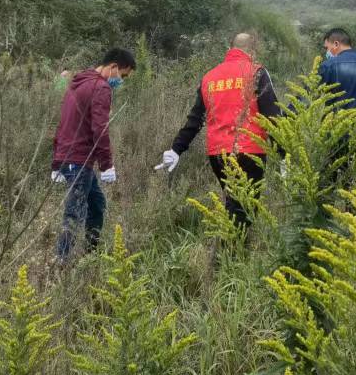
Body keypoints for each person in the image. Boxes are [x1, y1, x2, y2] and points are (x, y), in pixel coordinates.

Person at [157, 32, 282, 228]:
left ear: (229, 49)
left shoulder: (210, 77)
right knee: (244, 209)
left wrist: (176, 149)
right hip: (249, 151)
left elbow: (196, 119)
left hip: (218, 154)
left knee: (235, 202)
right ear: (253, 51)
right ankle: (229, 252)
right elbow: (272, 116)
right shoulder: (257, 72)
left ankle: (231, 250)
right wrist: (284, 153)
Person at [51, 47, 136, 260]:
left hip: (69, 158)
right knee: (74, 214)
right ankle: (62, 262)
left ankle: (91, 255)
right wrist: (107, 165)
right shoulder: (100, 87)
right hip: (79, 160)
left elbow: (63, 124)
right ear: (113, 67)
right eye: (123, 75)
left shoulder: (79, 82)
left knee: (97, 204)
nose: (121, 81)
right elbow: (100, 129)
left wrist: (57, 162)